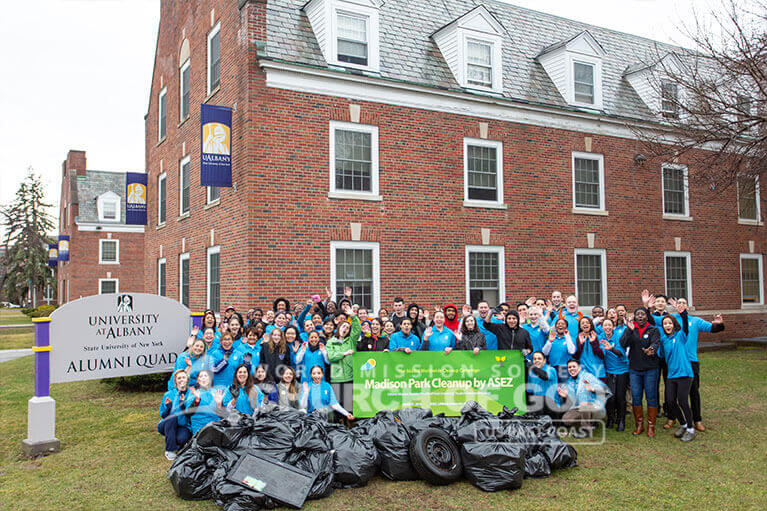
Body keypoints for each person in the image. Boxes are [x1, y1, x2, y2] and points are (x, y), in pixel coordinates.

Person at [666, 298, 724, 432]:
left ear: (688, 306)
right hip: (675, 363)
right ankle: (673, 417)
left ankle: (697, 419)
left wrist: (719, 324)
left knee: (693, 392)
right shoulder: (671, 320)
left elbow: (713, 328)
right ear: (675, 306)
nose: (681, 305)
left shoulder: (695, 321)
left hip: (691, 362)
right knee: (672, 395)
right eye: (678, 303)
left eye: (683, 303)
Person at [620, 308, 661, 437]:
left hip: (651, 369)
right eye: (638, 315)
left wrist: (652, 349)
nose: (640, 317)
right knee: (636, 397)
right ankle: (639, 425)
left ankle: (651, 426)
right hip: (634, 370)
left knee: (651, 397)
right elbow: (622, 343)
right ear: (635, 317)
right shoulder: (632, 329)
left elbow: (656, 343)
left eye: (643, 314)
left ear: (647, 316)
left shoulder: (653, 330)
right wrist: (629, 330)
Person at [657, 313, 696, 442]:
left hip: (685, 374)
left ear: (674, 325)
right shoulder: (663, 340)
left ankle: (691, 429)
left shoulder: (680, 335)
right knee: (670, 402)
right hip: (671, 375)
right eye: (665, 324)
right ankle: (683, 424)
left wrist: (683, 313)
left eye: (669, 323)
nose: (667, 325)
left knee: (683, 401)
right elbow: (660, 354)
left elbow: (685, 327)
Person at [557, 359, 609, 437]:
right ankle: (591, 423)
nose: (571, 369)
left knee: (584, 405)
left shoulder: (588, 377)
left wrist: (593, 389)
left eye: (574, 366)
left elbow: (605, 391)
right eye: (569, 367)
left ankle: (586, 430)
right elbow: (574, 401)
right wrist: (566, 396)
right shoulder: (569, 382)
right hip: (580, 407)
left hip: (595, 407)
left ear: (579, 368)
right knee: (566, 420)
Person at [326, 304, 360, 413]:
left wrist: (353, 316)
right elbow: (331, 357)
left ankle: (349, 427)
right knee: (338, 407)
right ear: (338, 327)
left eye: (347, 327)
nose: (345, 329)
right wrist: (344, 353)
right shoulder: (331, 342)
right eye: (343, 326)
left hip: (349, 377)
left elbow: (357, 329)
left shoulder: (351, 341)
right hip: (337, 378)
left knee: (349, 406)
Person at [598, 318, 629, 431]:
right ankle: (611, 418)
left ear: (613, 326)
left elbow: (622, 354)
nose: (607, 327)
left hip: (621, 370)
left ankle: (621, 420)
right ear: (602, 327)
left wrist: (611, 349)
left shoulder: (618, 336)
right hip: (608, 371)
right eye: (605, 325)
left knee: (620, 397)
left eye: (609, 325)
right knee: (610, 397)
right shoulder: (600, 337)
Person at [158, 370, 192, 460]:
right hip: (167, 424)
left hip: (183, 426)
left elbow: (190, 415)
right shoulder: (168, 394)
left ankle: (179, 443)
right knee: (172, 418)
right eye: (179, 378)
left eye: (183, 377)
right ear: (175, 381)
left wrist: (183, 405)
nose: (181, 380)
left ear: (187, 380)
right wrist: (169, 408)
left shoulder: (191, 394)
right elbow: (163, 414)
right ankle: (170, 450)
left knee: (181, 439)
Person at [185, 370, 225, 435]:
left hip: (215, 426)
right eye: (201, 376)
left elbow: (222, 415)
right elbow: (188, 413)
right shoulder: (194, 393)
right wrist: (196, 400)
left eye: (206, 376)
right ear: (197, 380)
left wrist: (219, 405)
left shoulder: (216, 393)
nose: (203, 378)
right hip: (199, 427)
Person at [542, 319, 577, 383]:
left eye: (563, 324)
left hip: (564, 368)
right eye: (558, 324)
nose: (560, 325)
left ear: (566, 327)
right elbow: (545, 353)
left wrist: (567, 337)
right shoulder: (551, 337)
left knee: (563, 389)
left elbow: (572, 351)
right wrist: (549, 341)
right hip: (552, 368)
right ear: (555, 327)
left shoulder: (571, 338)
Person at [527, 351, 559, 417]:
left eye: (539, 359)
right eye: (535, 359)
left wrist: (533, 367)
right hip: (538, 405)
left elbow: (544, 376)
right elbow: (529, 391)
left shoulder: (550, 369)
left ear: (544, 361)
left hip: (551, 404)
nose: (537, 360)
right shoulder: (531, 373)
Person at [574, 317, 605, 382]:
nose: (585, 324)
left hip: (597, 372)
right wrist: (581, 344)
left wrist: (593, 343)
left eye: (587, 323)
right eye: (582, 323)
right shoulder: (578, 339)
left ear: (591, 325)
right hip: (584, 373)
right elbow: (576, 357)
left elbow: (602, 356)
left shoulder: (599, 337)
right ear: (580, 327)